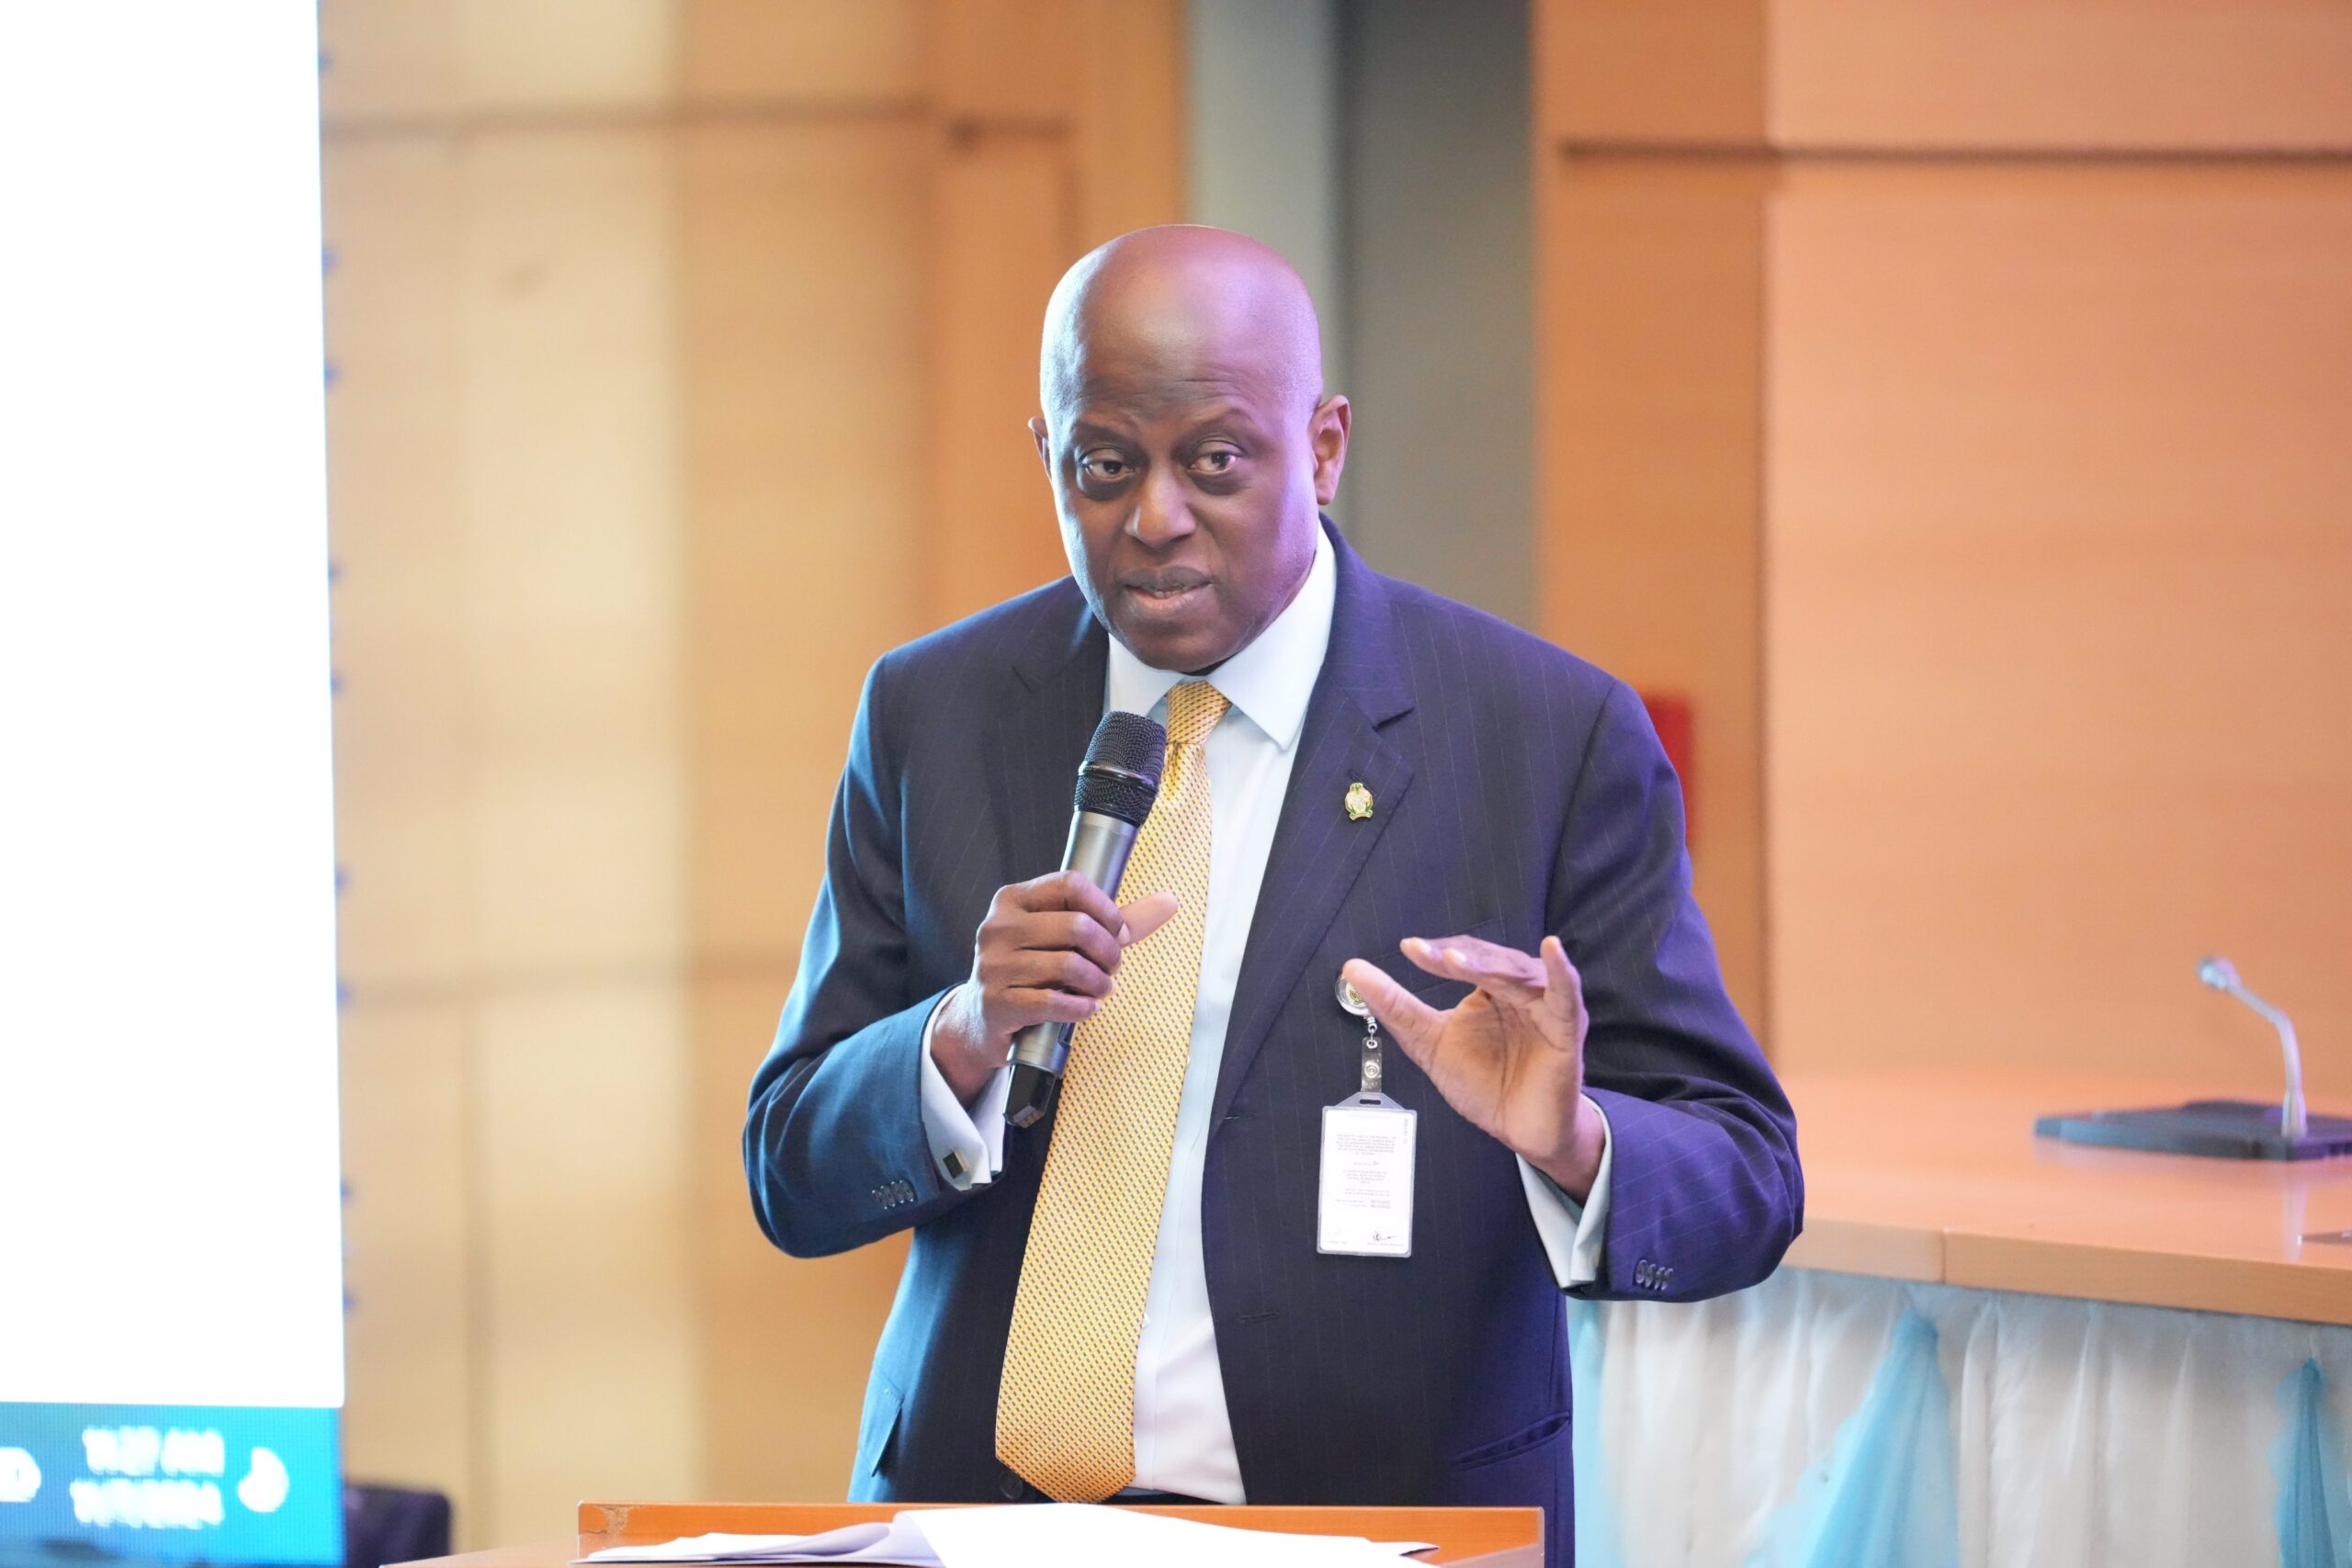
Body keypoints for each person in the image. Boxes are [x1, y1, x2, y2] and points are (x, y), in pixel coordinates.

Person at [743, 225, 1800, 1565]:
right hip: (974, 1522)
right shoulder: (933, 711)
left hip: (1374, 1529)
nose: (1155, 518)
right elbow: (791, 1168)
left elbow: (1748, 1178)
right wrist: (958, 1037)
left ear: (1324, 448)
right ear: (1049, 453)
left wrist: (1575, 1140)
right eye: (1105, 464)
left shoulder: (1542, 736)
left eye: (1216, 461)